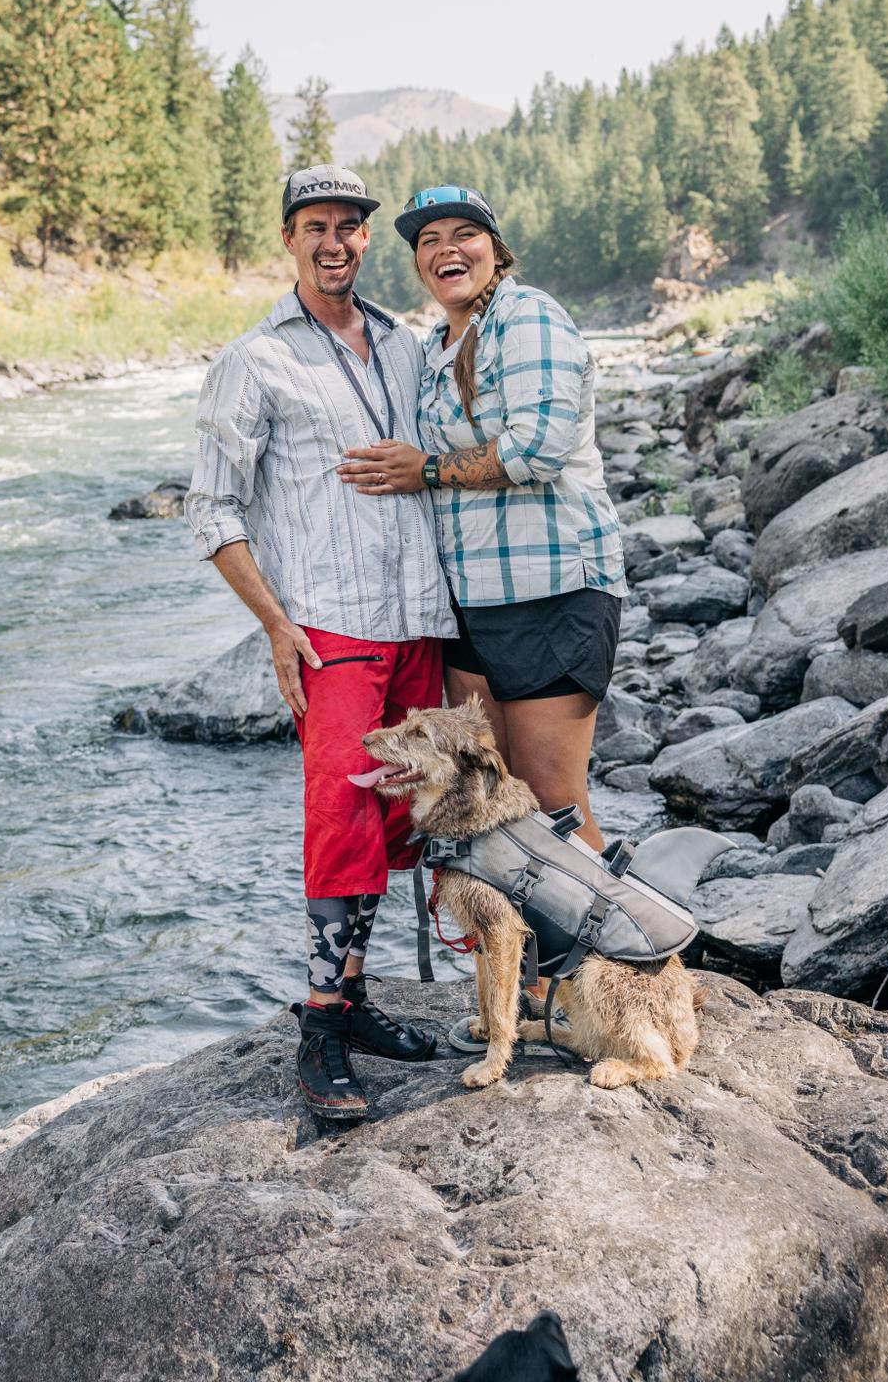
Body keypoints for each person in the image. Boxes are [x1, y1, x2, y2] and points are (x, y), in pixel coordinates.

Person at [185, 165, 455, 1121]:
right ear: (289, 239)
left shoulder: (407, 345)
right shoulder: (254, 360)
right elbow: (211, 508)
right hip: (329, 624)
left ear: (367, 238)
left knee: (393, 817)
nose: (333, 242)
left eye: (348, 226)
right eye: (315, 226)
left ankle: (356, 997)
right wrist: (274, 622)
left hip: (419, 614)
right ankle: (321, 1028)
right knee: (340, 818)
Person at [337, 183, 626, 1048]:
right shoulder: (439, 345)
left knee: (552, 804)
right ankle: (520, 997)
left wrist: (425, 470)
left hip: (551, 592)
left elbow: (537, 449)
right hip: (473, 604)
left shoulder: (527, 319)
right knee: (487, 803)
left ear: (497, 251)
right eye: (429, 240)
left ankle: (599, 988)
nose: (446, 249)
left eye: (466, 233)